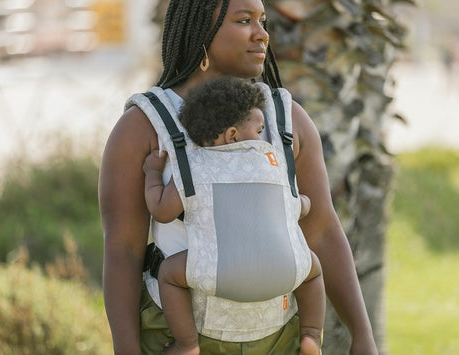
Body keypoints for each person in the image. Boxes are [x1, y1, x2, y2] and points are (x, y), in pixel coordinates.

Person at [99, 0, 378, 354]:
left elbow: (321, 229)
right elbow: (123, 249)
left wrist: (363, 335)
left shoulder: (284, 118)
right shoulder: (145, 125)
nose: (261, 35)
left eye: (263, 21)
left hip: (279, 337)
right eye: (244, 21)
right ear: (201, 34)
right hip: (178, 338)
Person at [143, 76, 324, 355]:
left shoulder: (193, 167)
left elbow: (161, 211)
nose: (263, 137)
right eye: (259, 128)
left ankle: (187, 344)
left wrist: (152, 173)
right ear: (232, 135)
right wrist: (305, 202)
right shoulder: (272, 162)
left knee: (168, 274)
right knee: (312, 268)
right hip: (282, 274)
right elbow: (300, 205)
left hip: (218, 274)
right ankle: (311, 335)